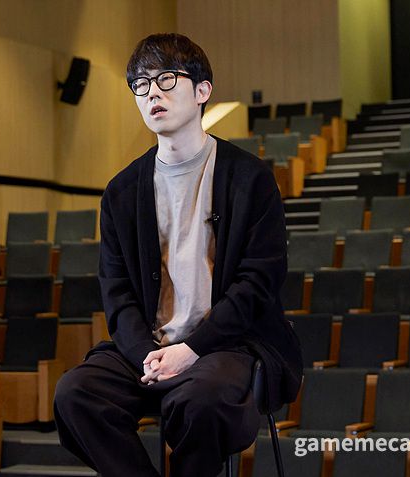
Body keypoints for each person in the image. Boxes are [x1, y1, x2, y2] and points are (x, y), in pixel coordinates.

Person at [53, 33, 302, 477]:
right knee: (77, 393)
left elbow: (258, 283)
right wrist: (146, 355)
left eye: (166, 79)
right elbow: (117, 294)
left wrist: (192, 349)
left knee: (201, 400)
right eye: (141, 85)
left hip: (227, 343)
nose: (153, 93)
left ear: (202, 90)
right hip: (151, 347)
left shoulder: (249, 178)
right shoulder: (121, 192)